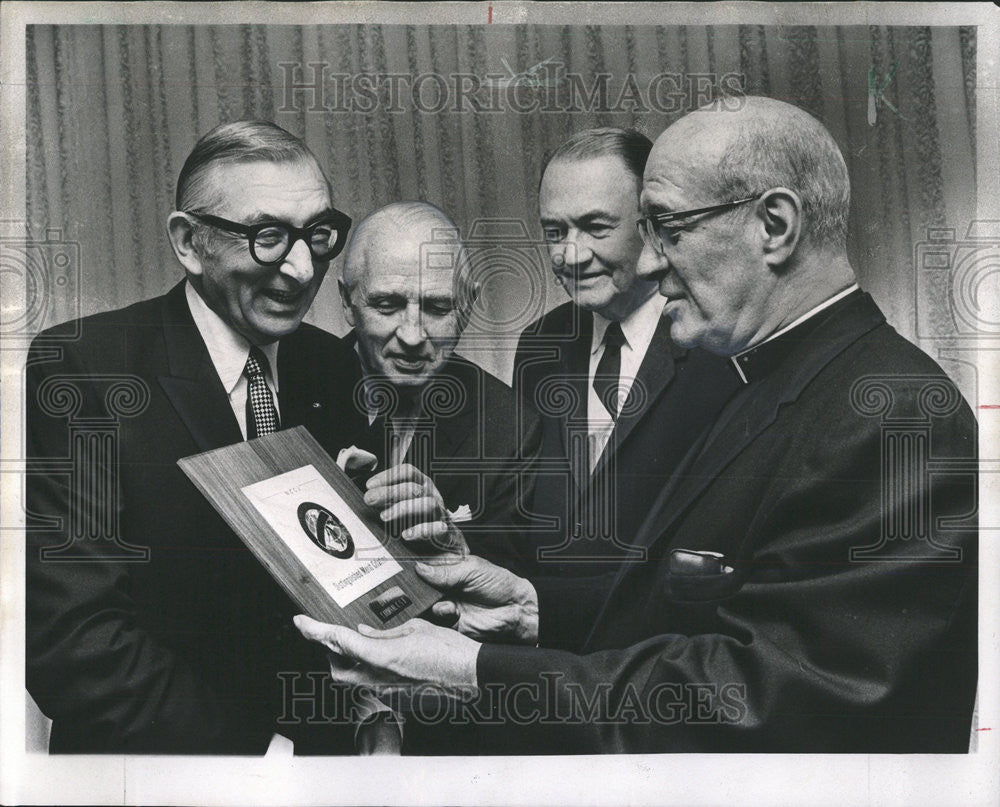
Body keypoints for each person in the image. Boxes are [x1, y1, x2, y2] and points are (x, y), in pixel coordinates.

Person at [295, 97, 978, 753]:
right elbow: (702, 610)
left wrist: (475, 672)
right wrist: (537, 609)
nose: (650, 260)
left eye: (670, 229)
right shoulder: (771, 372)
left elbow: (767, 700)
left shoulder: (894, 408)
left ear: (775, 226)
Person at [26, 120, 361, 754]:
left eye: (318, 235)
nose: (302, 267)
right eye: (268, 237)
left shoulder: (330, 365)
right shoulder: (84, 370)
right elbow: (72, 642)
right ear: (189, 242)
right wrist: (263, 753)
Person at [514, 128, 739, 573]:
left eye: (596, 228)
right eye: (555, 232)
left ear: (652, 225)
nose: (571, 255)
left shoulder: (717, 343)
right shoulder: (540, 344)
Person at [330, 201, 541, 567]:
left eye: (439, 308)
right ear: (348, 302)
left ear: (469, 305)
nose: (412, 336)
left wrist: (453, 543)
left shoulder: (512, 427)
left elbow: (510, 577)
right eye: (387, 305)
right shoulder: (290, 381)